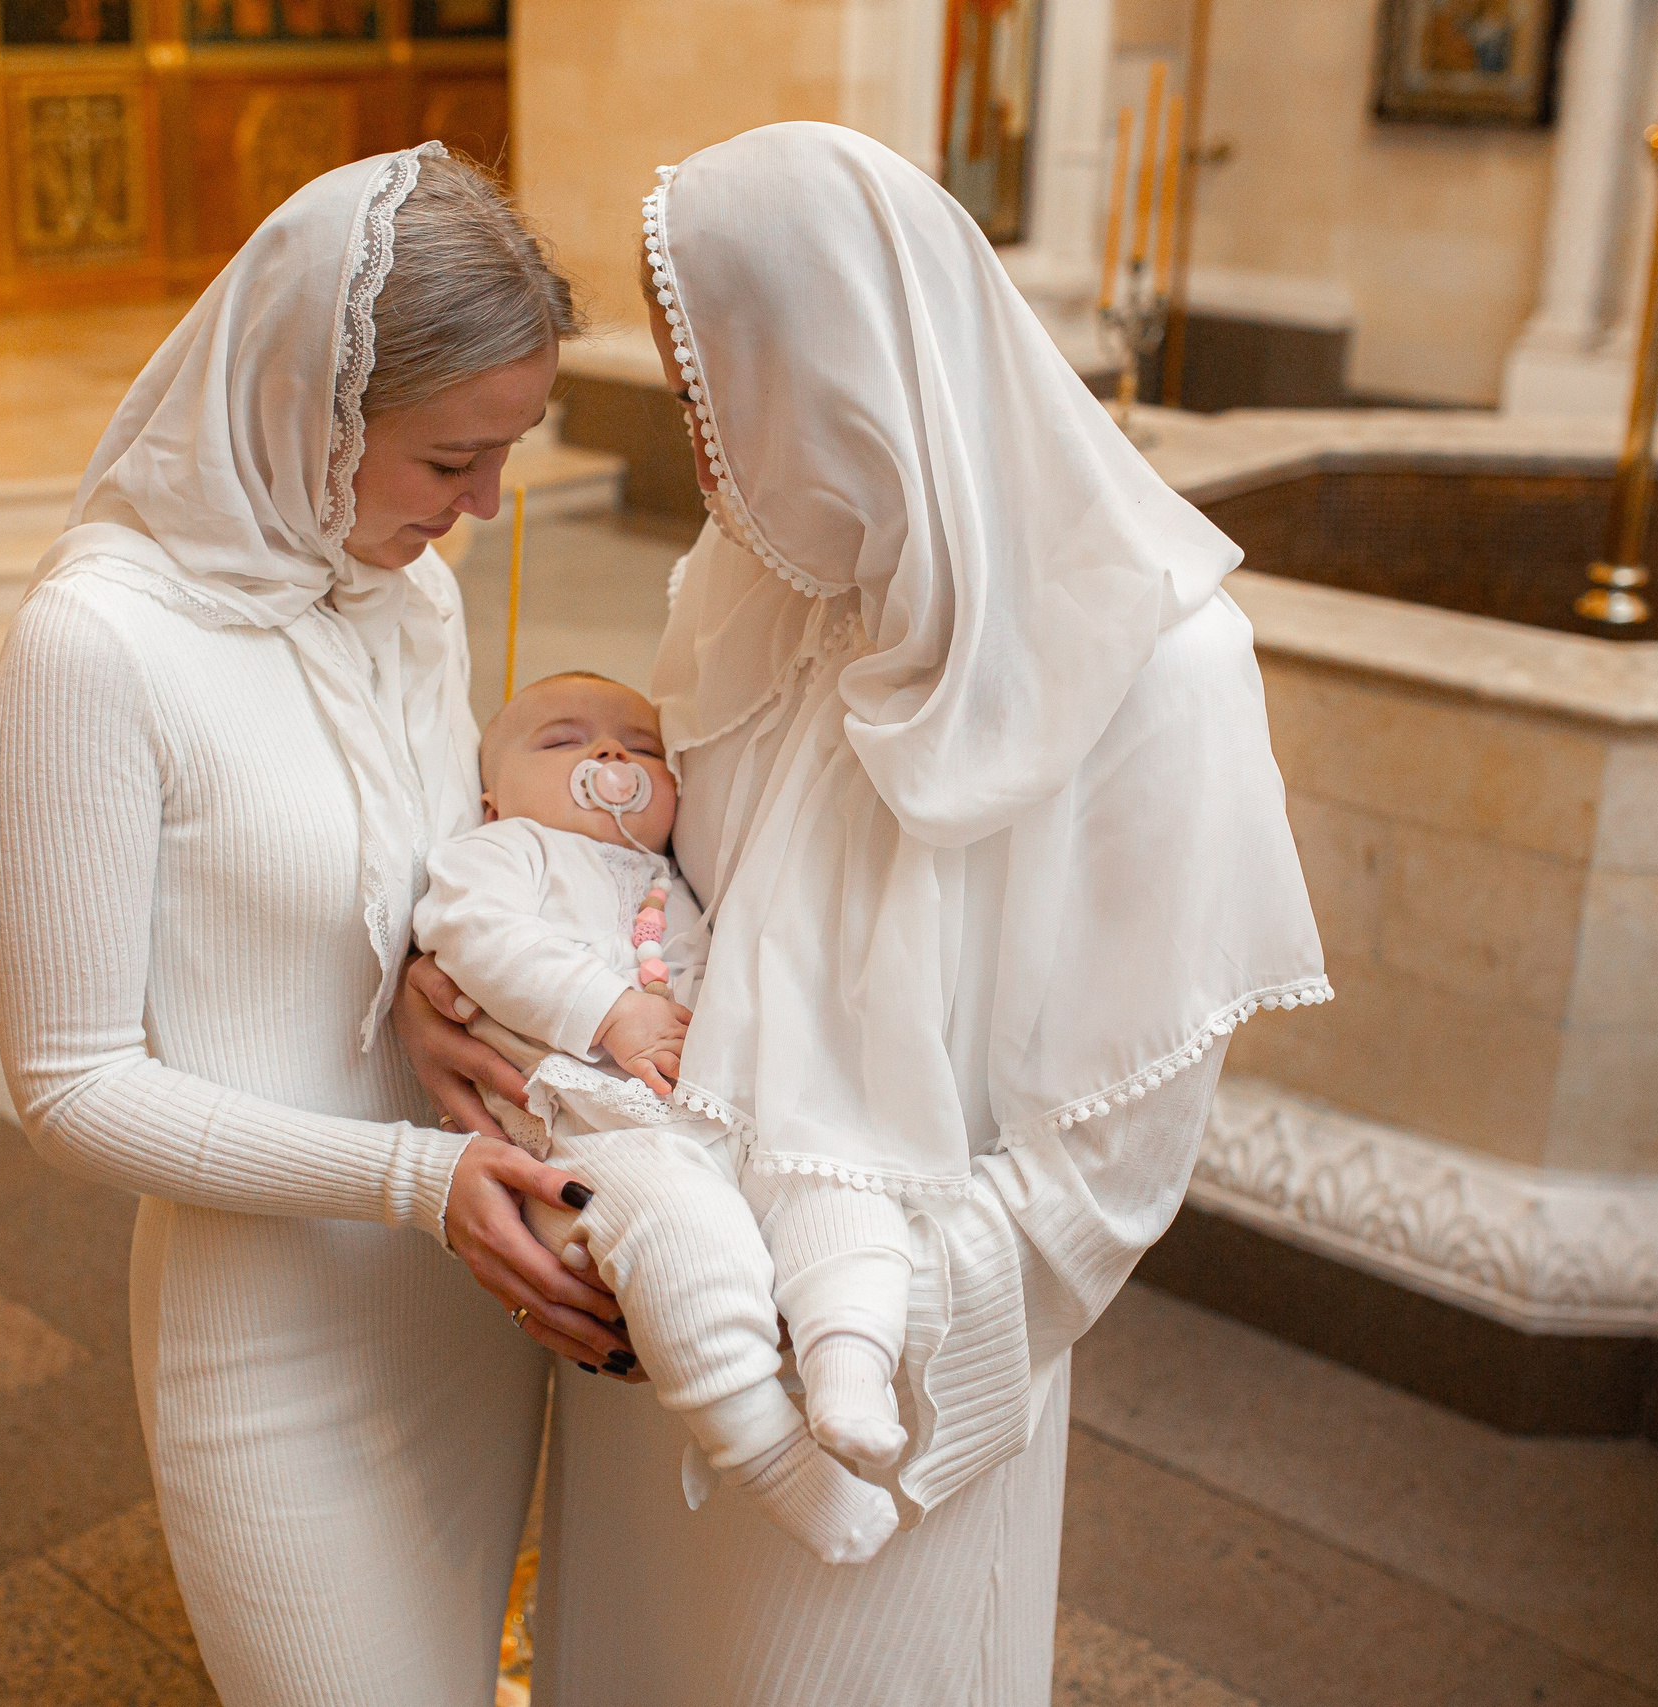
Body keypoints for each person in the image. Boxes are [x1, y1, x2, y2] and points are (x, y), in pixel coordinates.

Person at [511, 121, 1335, 1702]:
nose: (703, 446)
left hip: (884, 1376)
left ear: (848, 368)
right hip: (664, 1300)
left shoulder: (1163, 669)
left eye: (714, 394)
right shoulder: (756, 576)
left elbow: (1115, 1155)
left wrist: (814, 1334)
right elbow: (656, 890)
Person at [0, 145, 619, 1707]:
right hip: (271, 1336)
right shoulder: (97, 644)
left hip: (470, 1312)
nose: (487, 505)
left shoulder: (405, 591)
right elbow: (69, 1085)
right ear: (305, 404)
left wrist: (441, 979)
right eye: (450, 458)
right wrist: (411, 1174)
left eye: (510, 450)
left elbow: (420, 881)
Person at [412, 669, 909, 1563]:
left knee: (835, 1176)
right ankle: (766, 1450)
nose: (609, 754)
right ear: (490, 798)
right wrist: (610, 1009)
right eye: (562, 740)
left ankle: (851, 1357)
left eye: (640, 746)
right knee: (686, 1232)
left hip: (713, 1114)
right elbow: (476, 934)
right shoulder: (505, 852)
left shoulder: (675, 878)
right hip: (597, 1134)